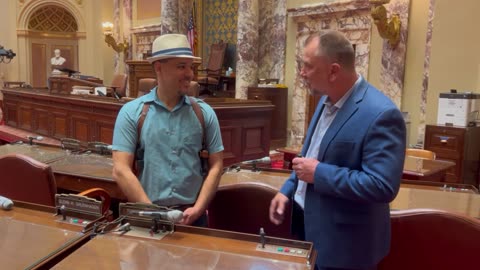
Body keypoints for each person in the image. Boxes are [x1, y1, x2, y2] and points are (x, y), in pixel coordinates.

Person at [269, 30, 406, 270]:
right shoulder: (325, 99)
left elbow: (382, 186)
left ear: (333, 70)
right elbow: (309, 156)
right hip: (310, 231)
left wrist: (320, 173)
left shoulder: (382, 114)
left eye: (308, 66)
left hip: (347, 248)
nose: (301, 73)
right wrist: (287, 190)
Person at [112, 34, 224, 226]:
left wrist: (199, 208)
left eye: (191, 67)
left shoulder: (204, 113)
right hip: (148, 215)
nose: (190, 74)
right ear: (159, 67)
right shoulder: (132, 113)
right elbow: (120, 169)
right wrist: (153, 212)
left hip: (193, 217)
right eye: (181, 66)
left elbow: (216, 166)